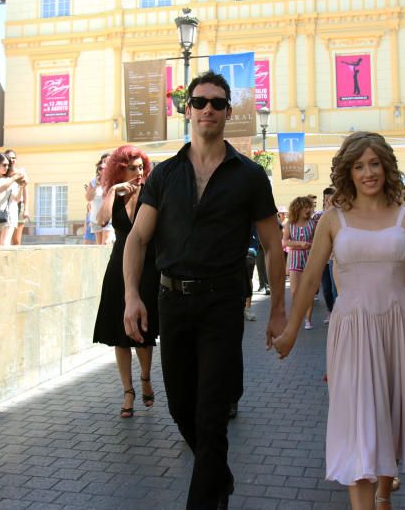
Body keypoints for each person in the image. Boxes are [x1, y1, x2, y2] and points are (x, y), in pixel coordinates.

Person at [122, 71, 286, 510]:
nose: (208, 109)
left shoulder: (249, 175)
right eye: (200, 102)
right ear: (187, 109)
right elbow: (137, 239)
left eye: (217, 103)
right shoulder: (166, 175)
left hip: (222, 304)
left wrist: (279, 311)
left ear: (229, 112)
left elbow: (273, 245)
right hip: (171, 302)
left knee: (211, 415)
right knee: (180, 408)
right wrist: (132, 297)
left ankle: (207, 499)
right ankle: (219, 476)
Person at [273, 131, 405, 510]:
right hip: (351, 329)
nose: (368, 173)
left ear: (386, 166)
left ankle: (383, 494)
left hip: (399, 326)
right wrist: (290, 332)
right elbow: (311, 277)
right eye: (359, 165)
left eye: (375, 163)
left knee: (391, 415)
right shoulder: (332, 219)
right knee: (358, 422)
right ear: (347, 172)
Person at [92, 145, 158, 419]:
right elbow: (101, 220)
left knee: (142, 332)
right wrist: (110, 192)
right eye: (132, 168)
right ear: (120, 170)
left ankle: (144, 378)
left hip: (148, 266)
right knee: (119, 334)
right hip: (118, 267)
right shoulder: (115, 195)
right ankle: (128, 392)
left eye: (141, 167)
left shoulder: (151, 193)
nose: (139, 172)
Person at [284, 196, 317, 329]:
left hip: (309, 258)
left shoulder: (312, 223)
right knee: (295, 291)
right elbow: (285, 242)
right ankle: (297, 317)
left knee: (309, 291)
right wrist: (299, 243)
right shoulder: (289, 224)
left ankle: (308, 320)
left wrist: (312, 245)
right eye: (305, 207)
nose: (308, 209)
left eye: (310, 206)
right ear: (298, 208)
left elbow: (317, 240)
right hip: (294, 259)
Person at [0, 152, 25, 246]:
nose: (7, 167)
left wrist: (22, 187)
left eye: (8, 165)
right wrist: (15, 177)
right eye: (4, 165)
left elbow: (17, 199)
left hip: (9, 214)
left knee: (5, 244)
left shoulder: (10, 181)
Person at [317, 187, 337, 322]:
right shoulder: (319, 216)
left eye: (331, 199)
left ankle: (336, 313)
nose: (329, 202)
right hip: (324, 259)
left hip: (335, 259)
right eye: (326, 199)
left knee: (336, 289)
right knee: (326, 289)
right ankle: (330, 310)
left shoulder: (340, 216)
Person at [83, 154, 109, 245]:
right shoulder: (94, 181)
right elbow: (88, 198)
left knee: (106, 243)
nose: (105, 165)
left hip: (109, 218)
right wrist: (97, 185)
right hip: (95, 218)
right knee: (99, 246)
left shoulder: (114, 180)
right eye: (104, 162)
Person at [4, 149, 28, 245]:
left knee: (16, 240)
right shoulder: (3, 174)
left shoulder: (21, 173)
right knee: (6, 239)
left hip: (18, 206)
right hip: (6, 207)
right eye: (9, 158)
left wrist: (26, 209)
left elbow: (26, 191)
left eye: (14, 158)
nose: (12, 160)